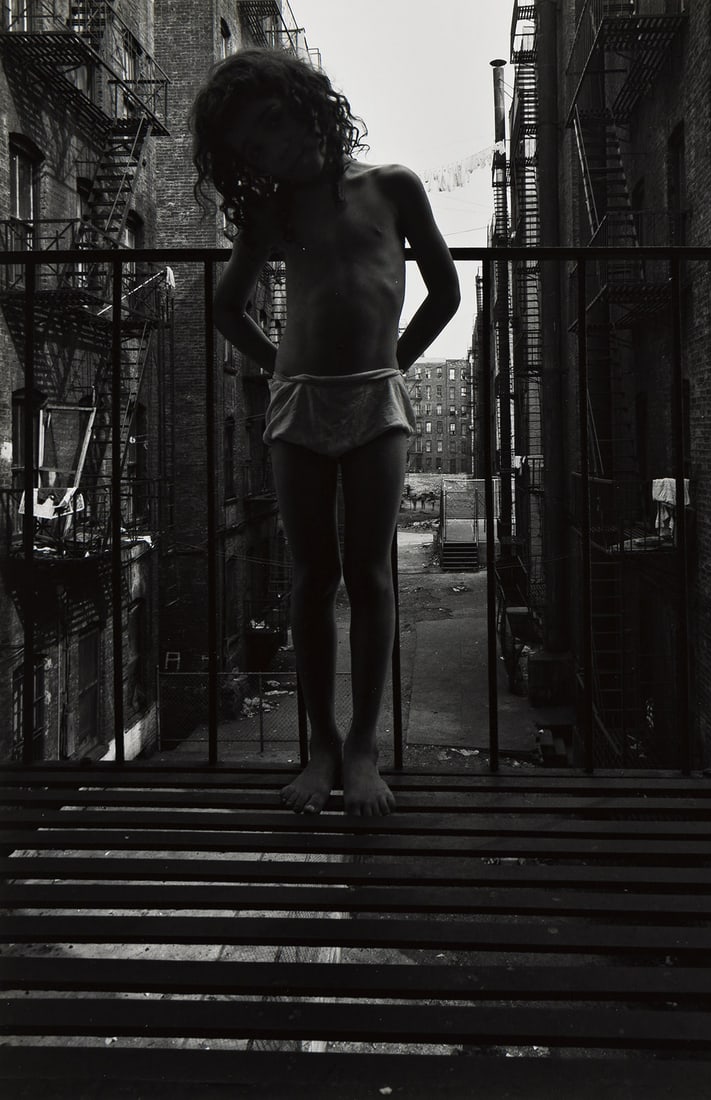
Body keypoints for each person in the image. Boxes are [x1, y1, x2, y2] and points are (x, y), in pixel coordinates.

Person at [190, 48, 460, 816]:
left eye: (275, 124)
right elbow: (225, 305)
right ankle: (321, 747)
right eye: (254, 148)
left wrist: (397, 364)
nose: (274, 151)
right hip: (300, 405)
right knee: (313, 580)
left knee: (371, 574)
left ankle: (366, 746)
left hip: (376, 402)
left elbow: (444, 292)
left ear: (309, 101)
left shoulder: (394, 188)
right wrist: (280, 367)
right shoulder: (272, 214)